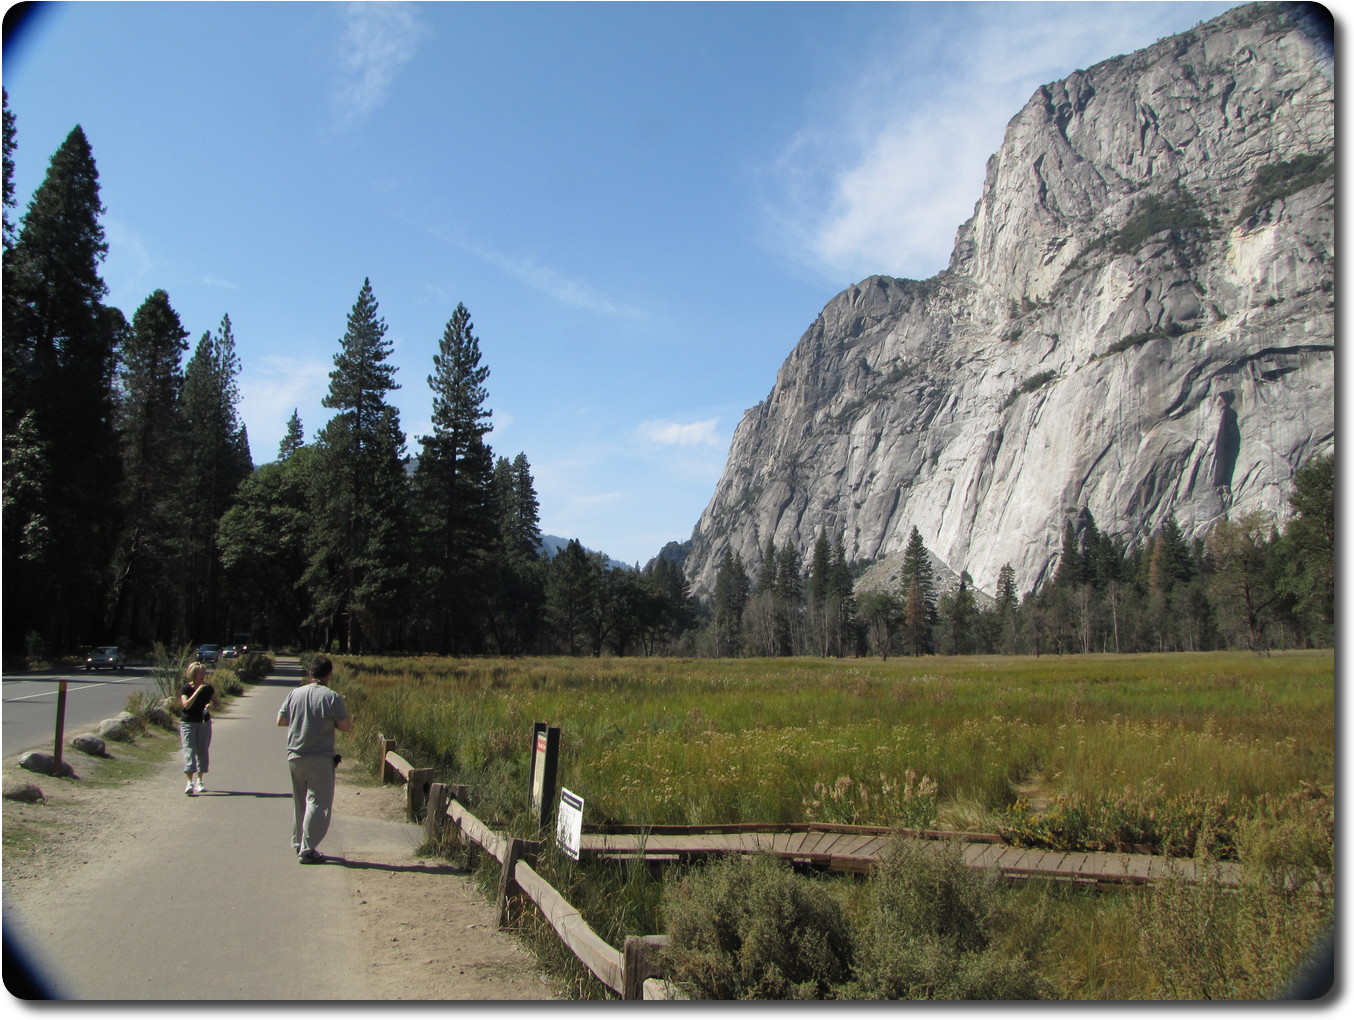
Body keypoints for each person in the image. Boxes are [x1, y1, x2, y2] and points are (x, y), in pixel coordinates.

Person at [276, 654, 351, 863]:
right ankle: (308, 849)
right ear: (329, 674)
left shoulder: (295, 693)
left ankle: (298, 841)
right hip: (320, 756)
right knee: (318, 802)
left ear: (310, 672)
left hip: (295, 754)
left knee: (299, 801)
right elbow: (345, 726)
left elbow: (281, 720)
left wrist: (300, 720)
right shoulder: (332, 697)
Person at [180, 662, 215, 795]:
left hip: (204, 723)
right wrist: (198, 691)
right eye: (200, 673)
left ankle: (200, 781)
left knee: (202, 750)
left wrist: (210, 705)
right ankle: (189, 782)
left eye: (204, 672)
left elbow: (216, 702)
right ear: (193, 674)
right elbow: (186, 705)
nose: (203, 675)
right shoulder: (186, 689)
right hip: (188, 723)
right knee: (189, 750)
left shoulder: (208, 688)